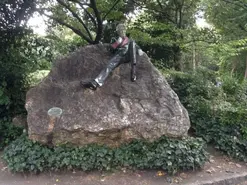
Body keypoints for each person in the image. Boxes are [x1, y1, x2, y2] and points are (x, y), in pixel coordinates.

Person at [81, 23, 144, 90]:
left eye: (123, 30)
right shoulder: (115, 39)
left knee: (132, 43)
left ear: (125, 31)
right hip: (119, 56)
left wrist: (139, 49)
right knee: (109, 66)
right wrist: (117, 43)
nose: (121, 32)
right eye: (120, 31)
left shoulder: (130, 40)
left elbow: (136, 48)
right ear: (117, 32)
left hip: (128, 56)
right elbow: (110, 50)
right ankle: (96, 82)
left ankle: (133, 72)